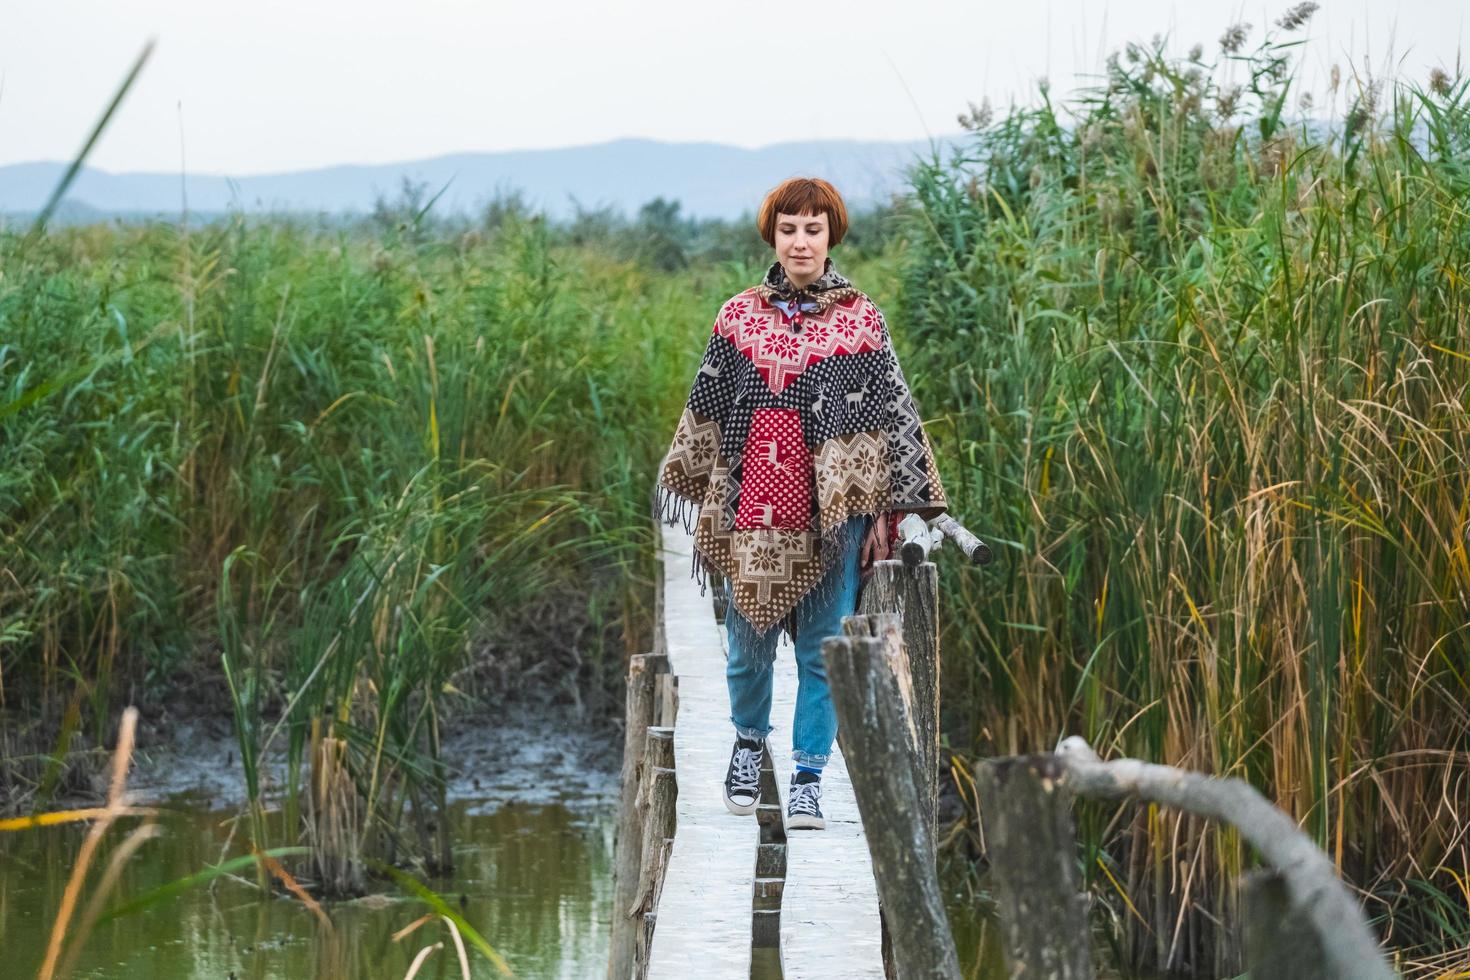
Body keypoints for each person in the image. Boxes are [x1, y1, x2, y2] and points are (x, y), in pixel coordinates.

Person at [653, 176, 947, 831]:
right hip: (752, 509)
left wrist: (887, 514)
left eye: (813, 229)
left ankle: (809, 776)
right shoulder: (738, 316)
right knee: (746, 649)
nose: (801, 241)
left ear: (830, 235)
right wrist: (698, 489)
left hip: (834, 516)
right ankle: (748, 745)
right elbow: (708, 404)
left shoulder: (861, 319)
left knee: (822, 652)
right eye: (789, 229)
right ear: (774, 236)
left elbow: (894, 420)